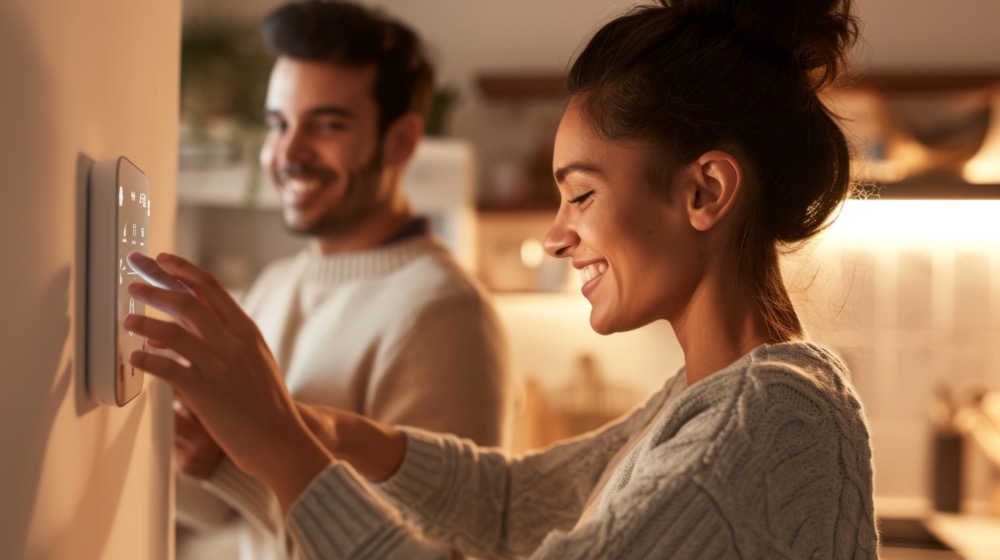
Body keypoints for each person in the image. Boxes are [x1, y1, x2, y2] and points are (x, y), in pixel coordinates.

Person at [130, 0, 878, 557]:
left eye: (581, 194)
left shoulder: (768, 417)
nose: (556, 235)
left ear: (705, 191)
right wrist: (308, 428)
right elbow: (512, 504)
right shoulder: (704, 402)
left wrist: (279, 447)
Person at [172, 2, 513, 559]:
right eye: (279, 123)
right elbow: (230, 514)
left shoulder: (445, 313)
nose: (288, 153)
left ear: (401, 142)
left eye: (327, 125)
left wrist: (232, 468)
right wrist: (189, 450)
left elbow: (433, 553)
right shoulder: (275, 284)